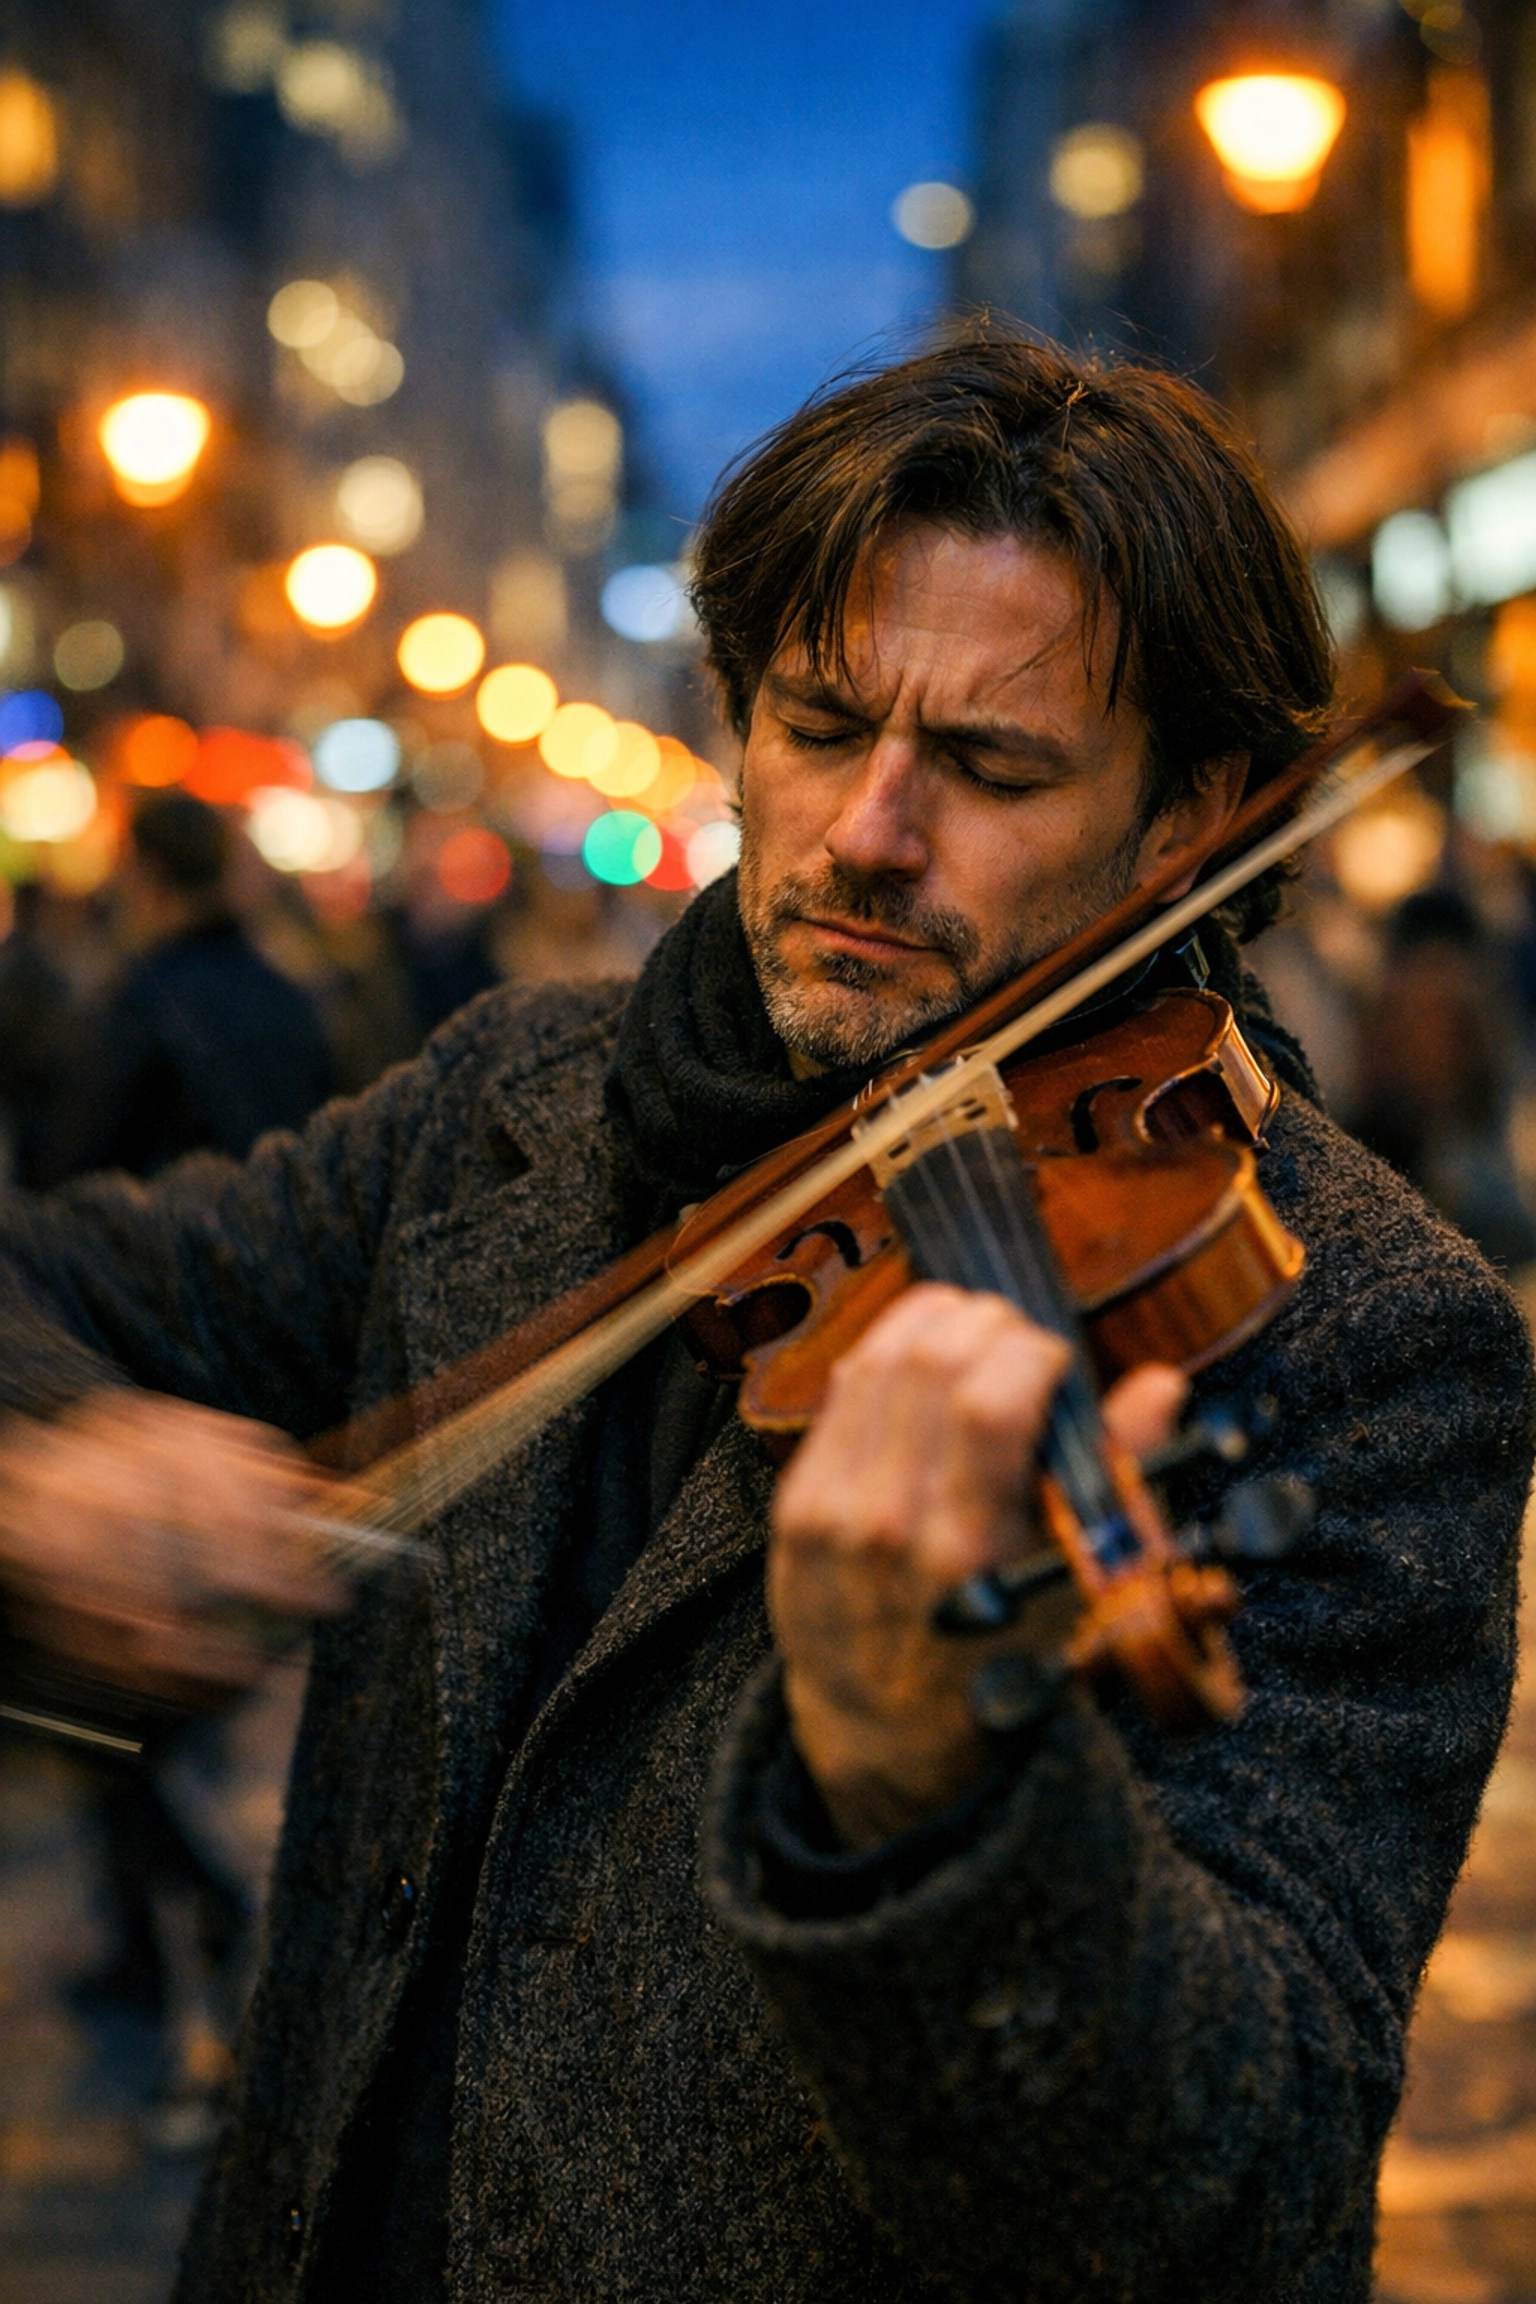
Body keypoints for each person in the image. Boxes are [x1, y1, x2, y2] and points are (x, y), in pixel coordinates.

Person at [0, 334, 1529, 2304]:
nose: (867, 833)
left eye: (988, 766)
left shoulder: (1362, 1335)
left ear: (1192, 822)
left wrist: (934, 1801)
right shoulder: (510, 1112)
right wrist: (54, 1461)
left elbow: (1233, 2186)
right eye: (820, 725)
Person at [59, 790, 334, 1179]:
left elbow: (90, 1153)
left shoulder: (142, 1001)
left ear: (148, 872)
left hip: (173, 1228)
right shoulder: (288, 989)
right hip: (280, 1220)